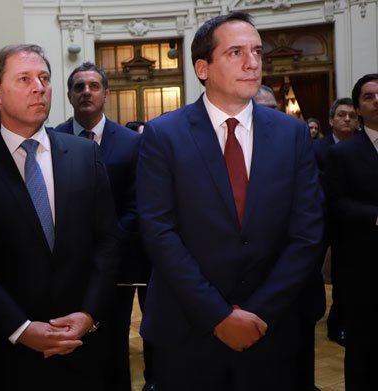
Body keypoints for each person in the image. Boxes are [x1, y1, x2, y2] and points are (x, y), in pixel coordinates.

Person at [137, 12, 324, 391]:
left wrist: (260, 311)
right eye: (236, 52)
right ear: (202, 67)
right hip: (188, 329)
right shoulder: (164, 135)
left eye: (257, 51)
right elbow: (159, 232)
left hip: (274, 328)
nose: (253, 62)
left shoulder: (292, 134)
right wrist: (217, 315)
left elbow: (307, 232)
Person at [0, 44, 118, 391]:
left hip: (83, 344)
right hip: (8, 350)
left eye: (44, 78)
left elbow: (107, 243)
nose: (39, 87)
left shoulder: (85, 154)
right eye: (25, 79)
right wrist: (21, 328)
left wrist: (88, 314)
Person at [54, 61, 152, 391]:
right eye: (79, 87)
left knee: (112, 346)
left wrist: (107, 244)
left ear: (106, 94)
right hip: (65, 265)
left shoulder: (130, 143)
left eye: (94, 86)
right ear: (69, 95)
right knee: (72, 346)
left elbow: (138, 204)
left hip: (118, 268)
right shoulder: (52, 140)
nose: (86, 92)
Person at [324, 73, 378, 391]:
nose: (376, 100)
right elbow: (334, 204)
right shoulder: (343, 153)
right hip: (363, 262)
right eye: (369, 96)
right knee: (364, 344)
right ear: (358, 107)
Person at [313, 97, 359, 348]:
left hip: (350, 223)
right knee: (313, 271)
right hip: (320, 223)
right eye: (342, 115)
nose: (347, 119)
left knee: (344, 275)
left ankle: (339, 323)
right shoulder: (317, 149)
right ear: (331, 120)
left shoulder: (362, 148)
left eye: (352, 116)